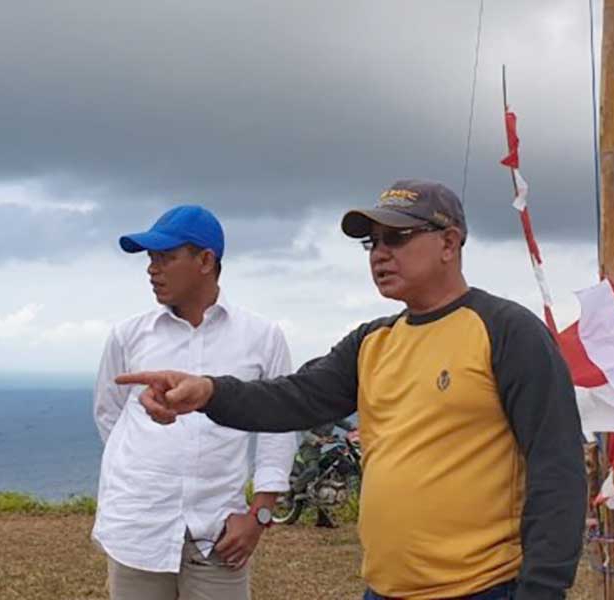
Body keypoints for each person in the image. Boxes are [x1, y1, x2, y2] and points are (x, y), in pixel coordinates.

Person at [116, 180, 586, 600]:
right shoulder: (372, 342)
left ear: (449, 243)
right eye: (372, 242)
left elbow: (558, 468)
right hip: (384, 589)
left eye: (397, 237)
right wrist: (207, 392)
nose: (380, 253)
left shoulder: (506, 331)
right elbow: (291, 398)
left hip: (483, 588)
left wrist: (543, 590)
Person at [91, 205, 297, 600]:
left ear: (205, 261)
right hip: (138, 529)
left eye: (166, 257)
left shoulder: (262, 336)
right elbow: (109, 417)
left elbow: (278, 428)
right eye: (151, 258)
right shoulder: (128, 336)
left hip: (219, 533)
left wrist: (259, 515)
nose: (152, 269)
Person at [294, 417, 358, 528]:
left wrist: (357, 429)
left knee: (325, 478)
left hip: (323, 449)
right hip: (309, 448)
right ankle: (293, 491)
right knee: (314, 470)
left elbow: (345, 424)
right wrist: (317, 440)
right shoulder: (313, 414)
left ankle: (323, 519)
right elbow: (304, 432)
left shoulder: (331, 415)